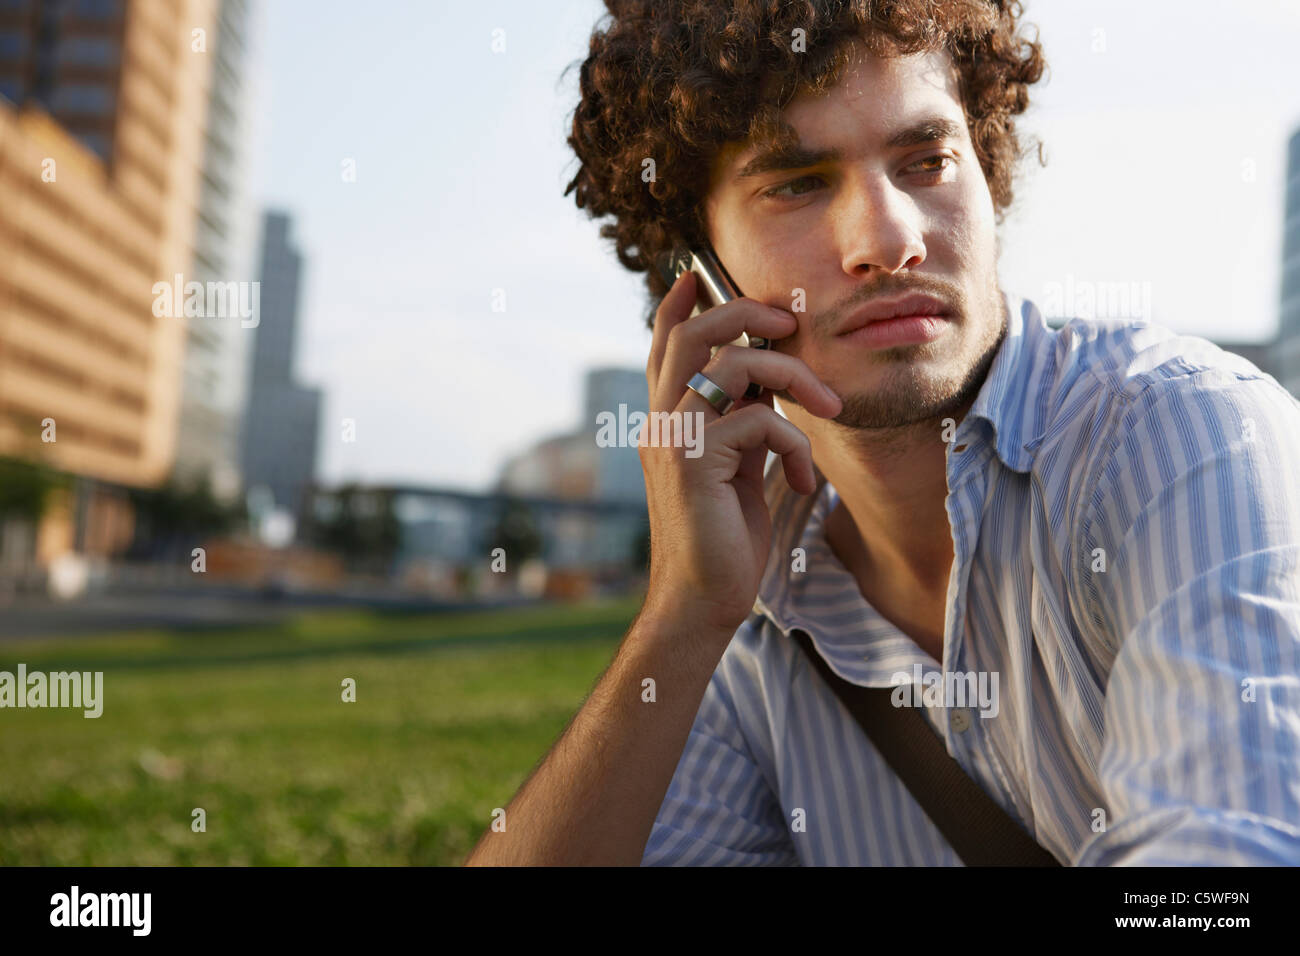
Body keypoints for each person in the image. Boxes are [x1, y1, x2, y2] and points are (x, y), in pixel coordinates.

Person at [465, 0, 1300, 866]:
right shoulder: (745, 610)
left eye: (928, 161)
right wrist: (680, 619)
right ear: (699, 279)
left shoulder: (1182, 436)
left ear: (988, 174)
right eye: (797, 183)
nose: (889, 240)